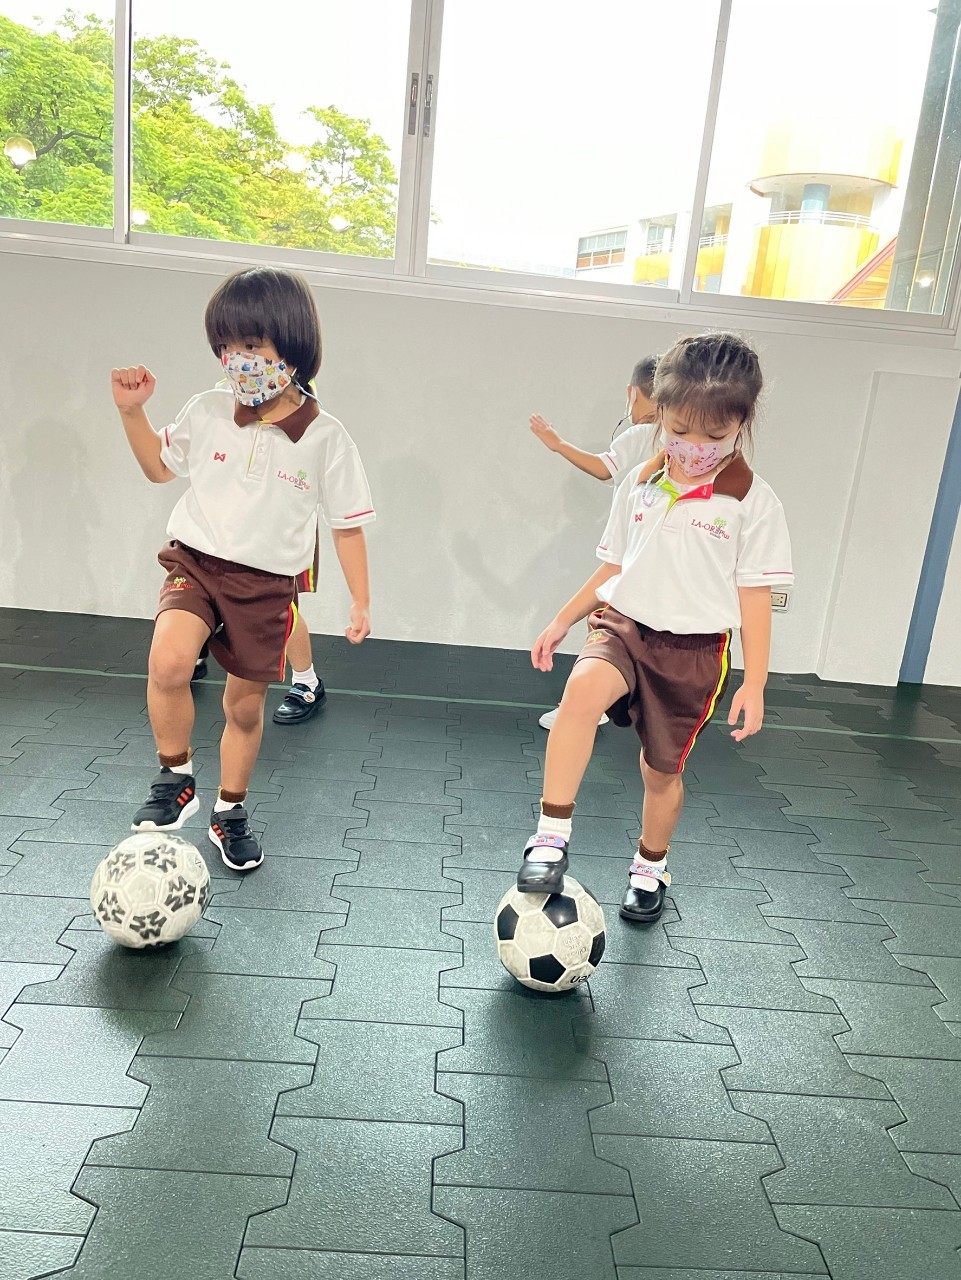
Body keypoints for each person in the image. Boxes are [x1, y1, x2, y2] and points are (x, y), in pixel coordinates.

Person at [518, 332, 792, 924]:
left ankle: (650, 866)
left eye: (714, 436)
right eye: (680, 429)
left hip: (694, 653)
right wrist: (563, 618)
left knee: (660, 774)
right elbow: (614, 565)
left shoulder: (752, 502)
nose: (695, 447)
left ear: (741, 424)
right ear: (659, 412)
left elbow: (755, 597)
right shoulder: (639, 482)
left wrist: (756, 682)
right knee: (579, 695)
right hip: (624, 625)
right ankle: (549, 837)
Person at [111, 265, 374, 872]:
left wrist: (361, 600)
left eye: (251, 344)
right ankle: (175, 776)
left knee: (244, 709)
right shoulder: (207, 409)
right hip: (197, 561)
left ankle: (229, 811)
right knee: (168, 662)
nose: (237, 360)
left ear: (293, 345)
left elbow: (347, 525)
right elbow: (159, 468)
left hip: (266, 585)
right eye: (225, 346)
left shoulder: (326, 437)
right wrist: (131, 413)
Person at [530, 356, 658, 730]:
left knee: (601, 623)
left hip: (630, 554)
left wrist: (558, 444)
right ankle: (614, 701)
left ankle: (590, 704)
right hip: (653, 557)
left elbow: (604, 468)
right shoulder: (675, 441)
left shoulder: (639, 435)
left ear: (632, 393)